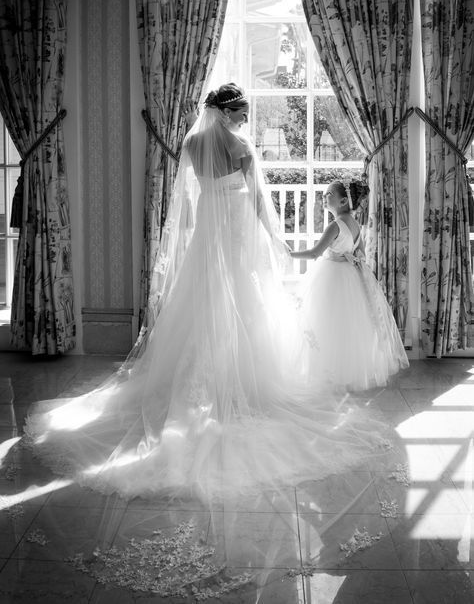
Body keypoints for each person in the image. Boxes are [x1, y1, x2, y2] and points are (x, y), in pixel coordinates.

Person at [23, 86, 393, 589]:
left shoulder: (195, 145)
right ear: (228, 112)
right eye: (241, 112)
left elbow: (191, 202)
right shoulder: (242, 149)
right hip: (236, 237)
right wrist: (278, 241)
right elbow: (261, 201)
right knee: (243, 308)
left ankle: (191, 383)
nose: (244, 119)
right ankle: (238, 387)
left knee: (201, 310)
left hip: (208, 240)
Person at [291, 179, 409, 392]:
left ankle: (327, 372)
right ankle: (343, 371)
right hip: (350, 277)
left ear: (343, 200)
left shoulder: (335, 225)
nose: (324, 196)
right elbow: (360, 253)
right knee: (344, 326)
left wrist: (288, 252)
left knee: (326, 324)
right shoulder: (353, 223)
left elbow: (314, 253)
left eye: (328, 194)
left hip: (332, 276)